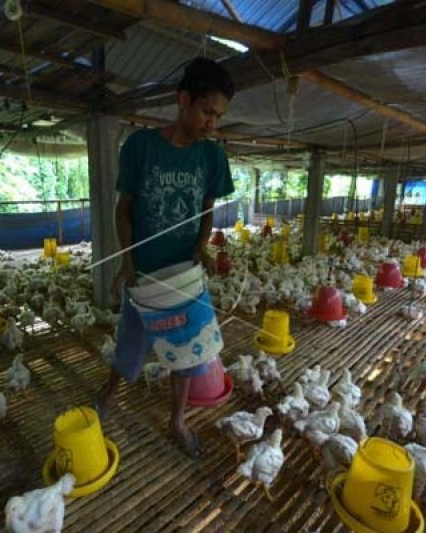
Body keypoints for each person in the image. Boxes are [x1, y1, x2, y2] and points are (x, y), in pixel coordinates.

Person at [94, 57, 235, 457]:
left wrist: (201, 246)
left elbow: (208, 208)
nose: (213, 123)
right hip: (147, 272)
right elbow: (124, 208)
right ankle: (107, 396)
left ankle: (176, 421)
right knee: (131, 344)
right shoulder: (141, 147)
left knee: (189, 352)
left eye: (219, 115)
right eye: (207, 111)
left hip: (185, 274)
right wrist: (128, 260)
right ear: (184, 99)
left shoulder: (212, 157)